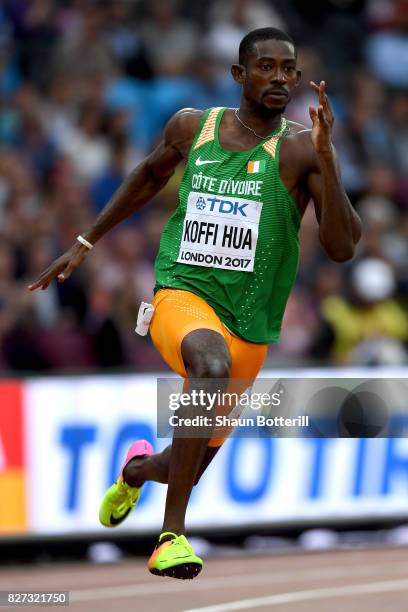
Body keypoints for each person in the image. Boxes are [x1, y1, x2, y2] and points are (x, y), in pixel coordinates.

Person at [28, 27, 362, 579]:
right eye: (266, 67)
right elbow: (147, 174)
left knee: (183, 463)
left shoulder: (302, 148)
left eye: (288, 70)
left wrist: (329, 160)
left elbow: (342, 247)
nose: (279, 78)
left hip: (250, 328)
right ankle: (171, 537)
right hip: (181, 296)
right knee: (209, 364)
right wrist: (84, 242)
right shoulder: (193, 127)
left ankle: (135, 470)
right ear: (238, 75)